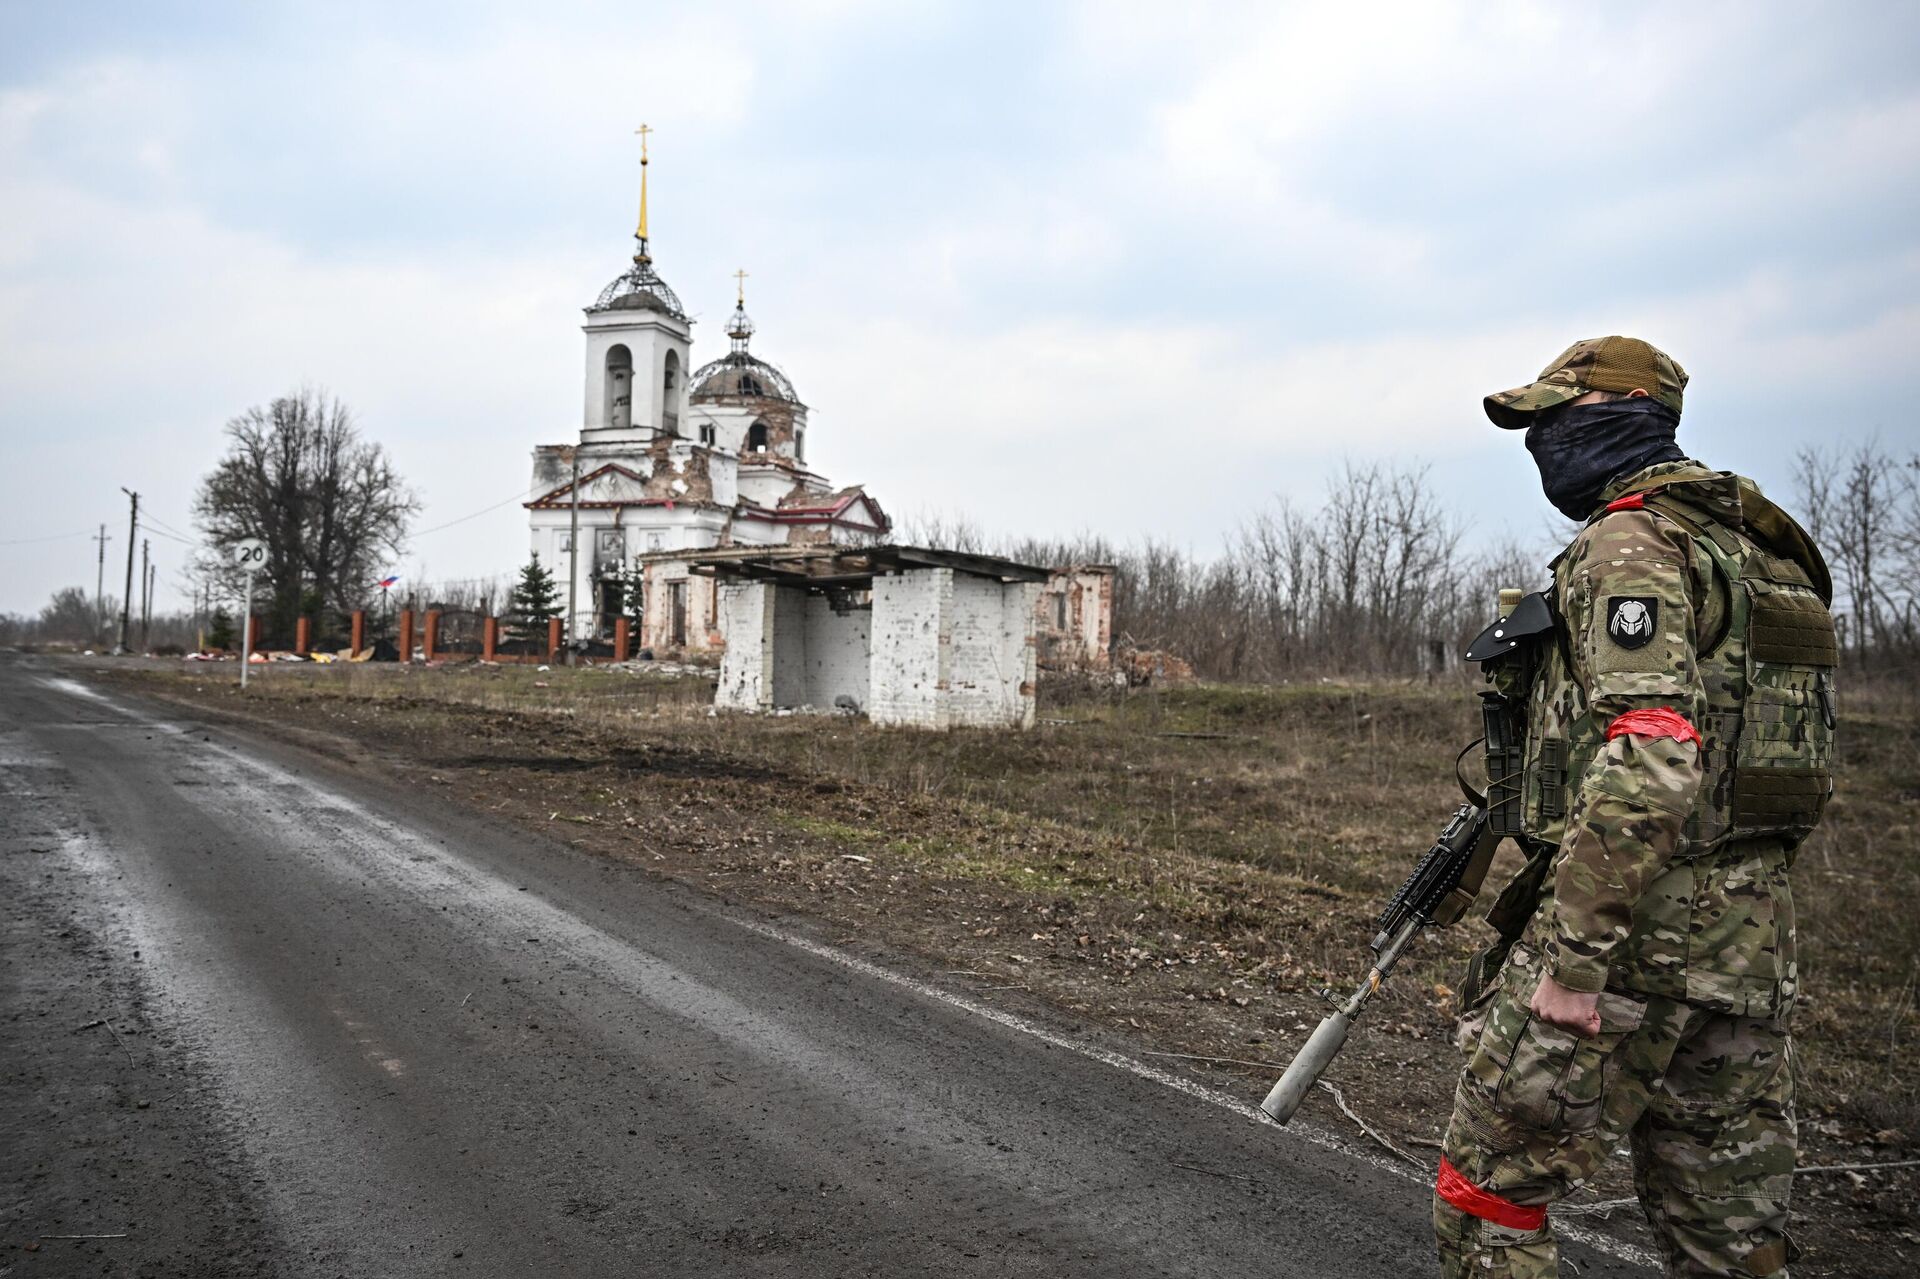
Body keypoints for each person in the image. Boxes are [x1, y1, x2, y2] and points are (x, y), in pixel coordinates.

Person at [1434, 337, 1837, 1277]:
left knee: (1489, 1190)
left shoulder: (1631, 540)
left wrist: (1574, 964)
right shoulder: (1758, 550)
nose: (1540, 444)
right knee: (1728, 1232)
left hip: (1630, 944)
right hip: (1751, 944)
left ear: (1611, 418)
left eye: (1552, 421)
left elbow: (1653, 750)